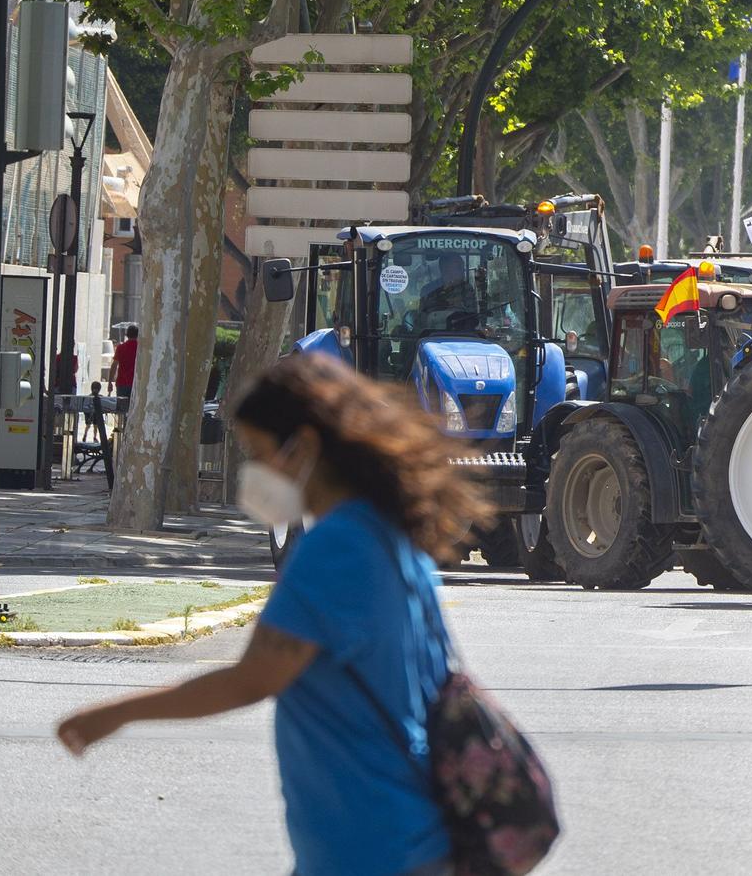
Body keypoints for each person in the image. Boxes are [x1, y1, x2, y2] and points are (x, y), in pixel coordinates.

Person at [56, 352, 486, 876]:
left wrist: (114, 713)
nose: (254, 472)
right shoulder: (388, 535)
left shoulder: (334, 548)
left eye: (258, 453)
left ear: (303, 447)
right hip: (410, 831)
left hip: (367, 844)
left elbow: (251, 680)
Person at [111, 325, 138, 410]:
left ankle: (123, 423)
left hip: (122, 383)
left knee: (122, 410)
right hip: (135, 383)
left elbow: (114, 365)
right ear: (137, 335)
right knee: (134, 409)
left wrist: (110, 382)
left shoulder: (120, 348)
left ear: (127, 335)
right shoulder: (140, 348)